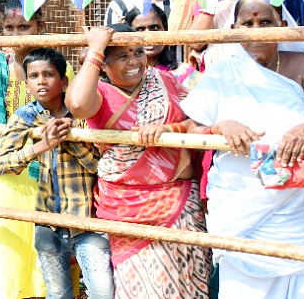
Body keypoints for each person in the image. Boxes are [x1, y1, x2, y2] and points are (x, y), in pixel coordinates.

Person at [181, 0, 304, 299]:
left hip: (296, 211)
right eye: (247, 23)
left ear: (283, 25)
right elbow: (190, 128)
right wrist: (220, 126)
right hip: (240, 207)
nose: (257, 30)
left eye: (265, 22)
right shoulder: (222, 72)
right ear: (234, 28)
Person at [66, 25, 209, 299]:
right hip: (127, 208)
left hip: (178, 202)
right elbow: (77, 104)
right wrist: (95, 48)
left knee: (186, 286)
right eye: (122, 56)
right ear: (104, 65)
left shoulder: (165, 81)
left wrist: (170, 131)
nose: (133, 62)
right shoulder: (102, 95)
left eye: (138, 52)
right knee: (138, 289)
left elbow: (199, 117)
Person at [0, 0, 65, 299]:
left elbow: (62, 111)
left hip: (49, 173)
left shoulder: (55, 66)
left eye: (25, 26)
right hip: (7, 174)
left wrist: (24, 64)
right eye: (9, 28)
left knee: (48, 266)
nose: (16, 35)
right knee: (9, 259)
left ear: (40, 27)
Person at [0, 47, 112, 299]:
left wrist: (70, 139)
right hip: (48, 221)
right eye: (34, 76)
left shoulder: (83, 114)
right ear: (26, 84)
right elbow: (1, 163)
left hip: (88, 220)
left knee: (103, 292)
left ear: (64, 81)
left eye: (48, 74)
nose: (41, 81)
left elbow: (99, 166)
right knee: (58, 293)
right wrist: (40, 146)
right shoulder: (25, 116)